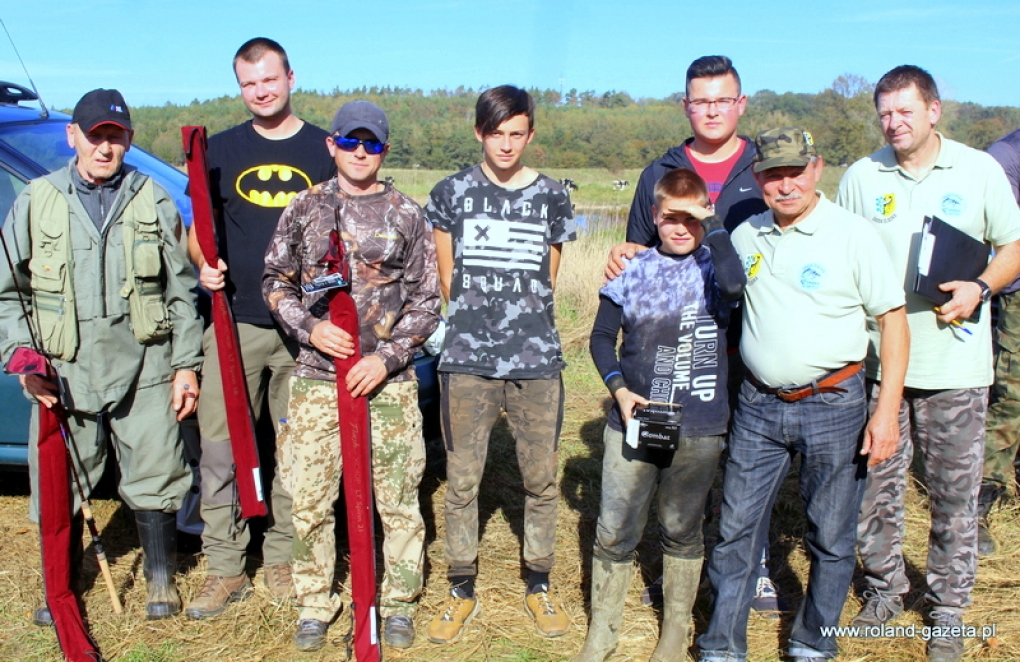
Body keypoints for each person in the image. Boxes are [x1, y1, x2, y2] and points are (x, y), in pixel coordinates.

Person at [699, 128, 909, 662]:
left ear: (816, 169)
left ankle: (814, 642)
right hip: (759, 405)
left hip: (834, 404)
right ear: (759, 179)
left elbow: (892, 321)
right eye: (773, 174)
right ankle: (723, 645)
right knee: (735, 530)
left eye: (795, 171)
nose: (785, 184)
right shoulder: (748, 236)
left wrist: (885, 413)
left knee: (831, 536)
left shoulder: (853, 235)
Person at [837, 65, 1020, 662]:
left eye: (905, 111)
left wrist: (981, 289)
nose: (894, 123)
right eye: (885, 113)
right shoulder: (862, 177)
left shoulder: (980, 169)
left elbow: (1013, 247)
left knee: (954, 496)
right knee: (875, 492)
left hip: (956, 368)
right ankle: (885, 592)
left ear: (934, 110)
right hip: (878, 369)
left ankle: (947, 611)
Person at [0, 89, 203, 621]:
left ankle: (161, 582)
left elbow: (181, 293)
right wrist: (23, 357)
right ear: (74, 137)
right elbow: (9, 292)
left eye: (115, 138)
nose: (105, 148)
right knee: (60, 480)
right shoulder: (36, 199)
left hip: (146, 362)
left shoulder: (153, 199)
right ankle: (61, 587)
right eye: (95, 137)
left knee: (157, 472)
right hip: (63, 368)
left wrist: (185, 365)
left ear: (129, 141)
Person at [263, 100, 439, 651]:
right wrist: (311, 330)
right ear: (331, 145)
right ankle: (317, 602)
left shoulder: (408, 214)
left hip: (386, 382)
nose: (361, 152)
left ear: (385, 150)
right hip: (317, 376)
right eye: (351, 142)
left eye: (373, 144)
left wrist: (384, 358)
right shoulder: (304, 208)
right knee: (310, 497)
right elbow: (275, 281)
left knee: (397, 497)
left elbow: (427, 302)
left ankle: (398, 601)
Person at [608, 54, 780, 614]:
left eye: (722, 100)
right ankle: (679, 563)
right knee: (679, 461)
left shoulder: (764, 169)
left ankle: (749, 567)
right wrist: (619, 257)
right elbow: (638, 250)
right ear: (686, 105)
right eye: (700, 101)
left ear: (741, 104)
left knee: (746, 465)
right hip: (677, 358)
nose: (711, 110)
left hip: (751, 346)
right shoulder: (659, 173)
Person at [184, 37, 335, 620]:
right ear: (239, 88)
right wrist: (202, 262)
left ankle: (281, 557)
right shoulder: (217, 151)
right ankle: (225, 566)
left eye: (269, 79)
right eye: (249, 84)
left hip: (305, 330)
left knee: (296, 450)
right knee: (221, 449)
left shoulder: (323, 150)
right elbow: (196, 224)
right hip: (235, 324)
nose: (261, 91)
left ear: (290, 77)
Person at [424, 85, 577, 644]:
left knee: (540, 479)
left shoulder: (553, 198)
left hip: (536, 363)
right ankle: (460, 586)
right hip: (466, 362)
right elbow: (447, 279)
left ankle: (539, 582)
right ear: (479, 133)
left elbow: (549, 278)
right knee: (463, 479)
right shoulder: (450, 193)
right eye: (496, 133)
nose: (507, 144)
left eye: (517, 133)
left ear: (530, 134)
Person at [576, 168, 744, 662]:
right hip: (633, 421)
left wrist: (710, 221)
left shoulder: (716, 269)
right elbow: (601, 338)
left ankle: (673, 633)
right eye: (670, 217)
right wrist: (619, 390)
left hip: (698, 426)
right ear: (654, 216)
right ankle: (602, 633)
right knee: (614, 529)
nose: (679, 228)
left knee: (681, 528)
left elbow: (736, 287)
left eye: (689, 219)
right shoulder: (632, 270)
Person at [977, 128, 1020, 556]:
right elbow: (1000, 237)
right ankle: (979, 503)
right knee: (1011, 396)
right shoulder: (1004, 156)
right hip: (1015, 294)